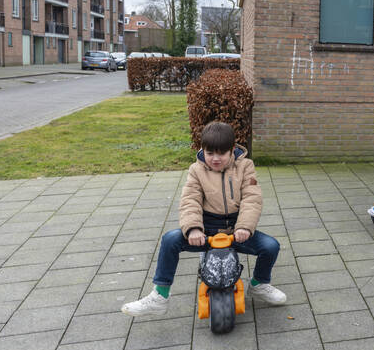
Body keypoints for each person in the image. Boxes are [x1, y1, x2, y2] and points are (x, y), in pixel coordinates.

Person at [121, 122, 286, 316]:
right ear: (202, 150)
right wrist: (193, 229)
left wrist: (244, 227)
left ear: (232, 150)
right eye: (209, 153)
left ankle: (259, 284)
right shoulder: (196, 170)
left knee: (270, 246)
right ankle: (160, 295)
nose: (215, 159)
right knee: (170, 240)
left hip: (236, 229)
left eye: (221, 154)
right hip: (206, 229)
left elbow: (252, 198)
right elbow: (190, 200)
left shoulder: (245, 167)